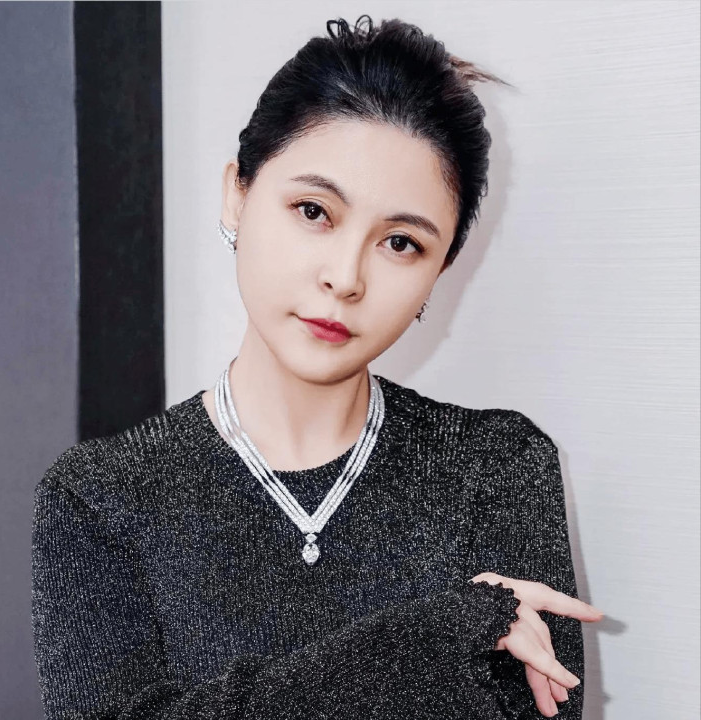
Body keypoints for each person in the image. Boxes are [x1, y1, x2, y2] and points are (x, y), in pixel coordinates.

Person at [31, 14, 603, 720]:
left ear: (439, 271)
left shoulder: (499, 469)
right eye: (314, 210)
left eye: (400, 243)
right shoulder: (98, 498)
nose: (346, 277)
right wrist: (433, 635)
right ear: (237, 195)